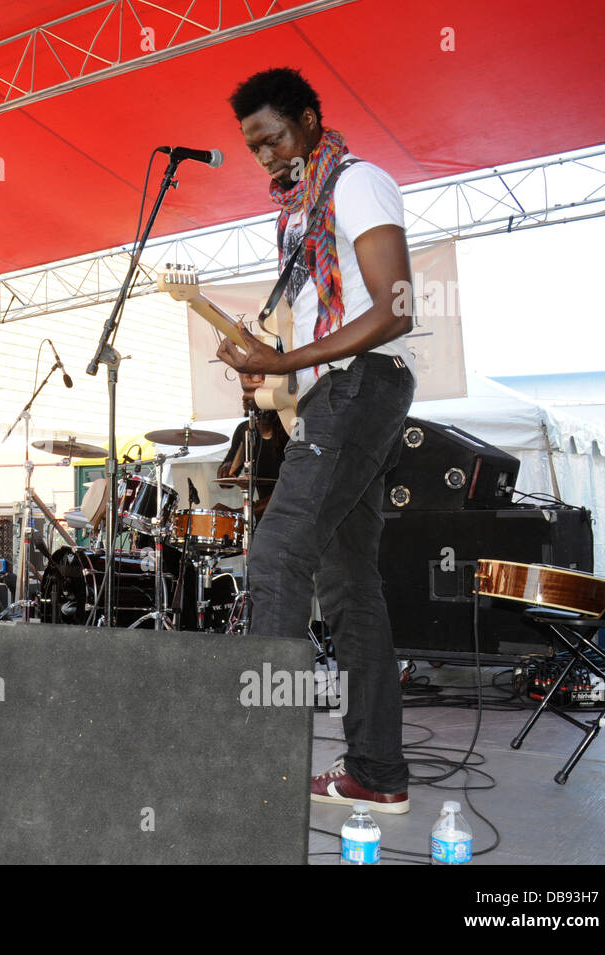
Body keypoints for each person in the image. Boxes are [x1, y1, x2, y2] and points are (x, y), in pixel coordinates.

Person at [216, 68, 417, 813]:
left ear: (308, 119)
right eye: (252, 146)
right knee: (348, 583)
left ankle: (263, 770)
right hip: (343, 388)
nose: (264, 155)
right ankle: (376, 771)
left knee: (276, 553)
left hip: (362, 384)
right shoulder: (299, 215)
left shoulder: (358, 182)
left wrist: (286, 362)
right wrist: (264, 375)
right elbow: (315, 333)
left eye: (272, 137)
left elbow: (394, 307)